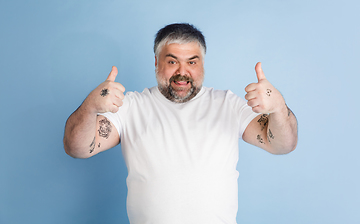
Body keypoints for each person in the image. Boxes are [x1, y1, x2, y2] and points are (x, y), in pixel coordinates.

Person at [63, 23, 298, 224]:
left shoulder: (227, 104)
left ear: (203, 65)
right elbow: (77, 148)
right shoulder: (130, 107)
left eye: (192, 62)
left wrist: (278, 107)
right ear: (156, 62)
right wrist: (90, 107)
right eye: (172, 61)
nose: (182, 72)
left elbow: (283, 144)